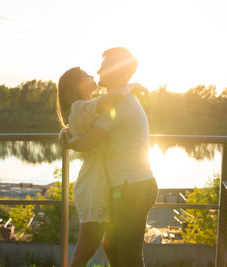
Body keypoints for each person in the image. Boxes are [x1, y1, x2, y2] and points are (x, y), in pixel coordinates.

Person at [60, 47, 158, 267]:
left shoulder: (119, 104)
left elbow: (88, 141)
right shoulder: (113, 100)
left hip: (133, 187)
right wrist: (65, 134)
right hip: (126, 187)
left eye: (104, 66)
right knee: (113, 248)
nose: (98, 71)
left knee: (128, 254)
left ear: (120, 71)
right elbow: (79, 120)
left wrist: (68, 142)